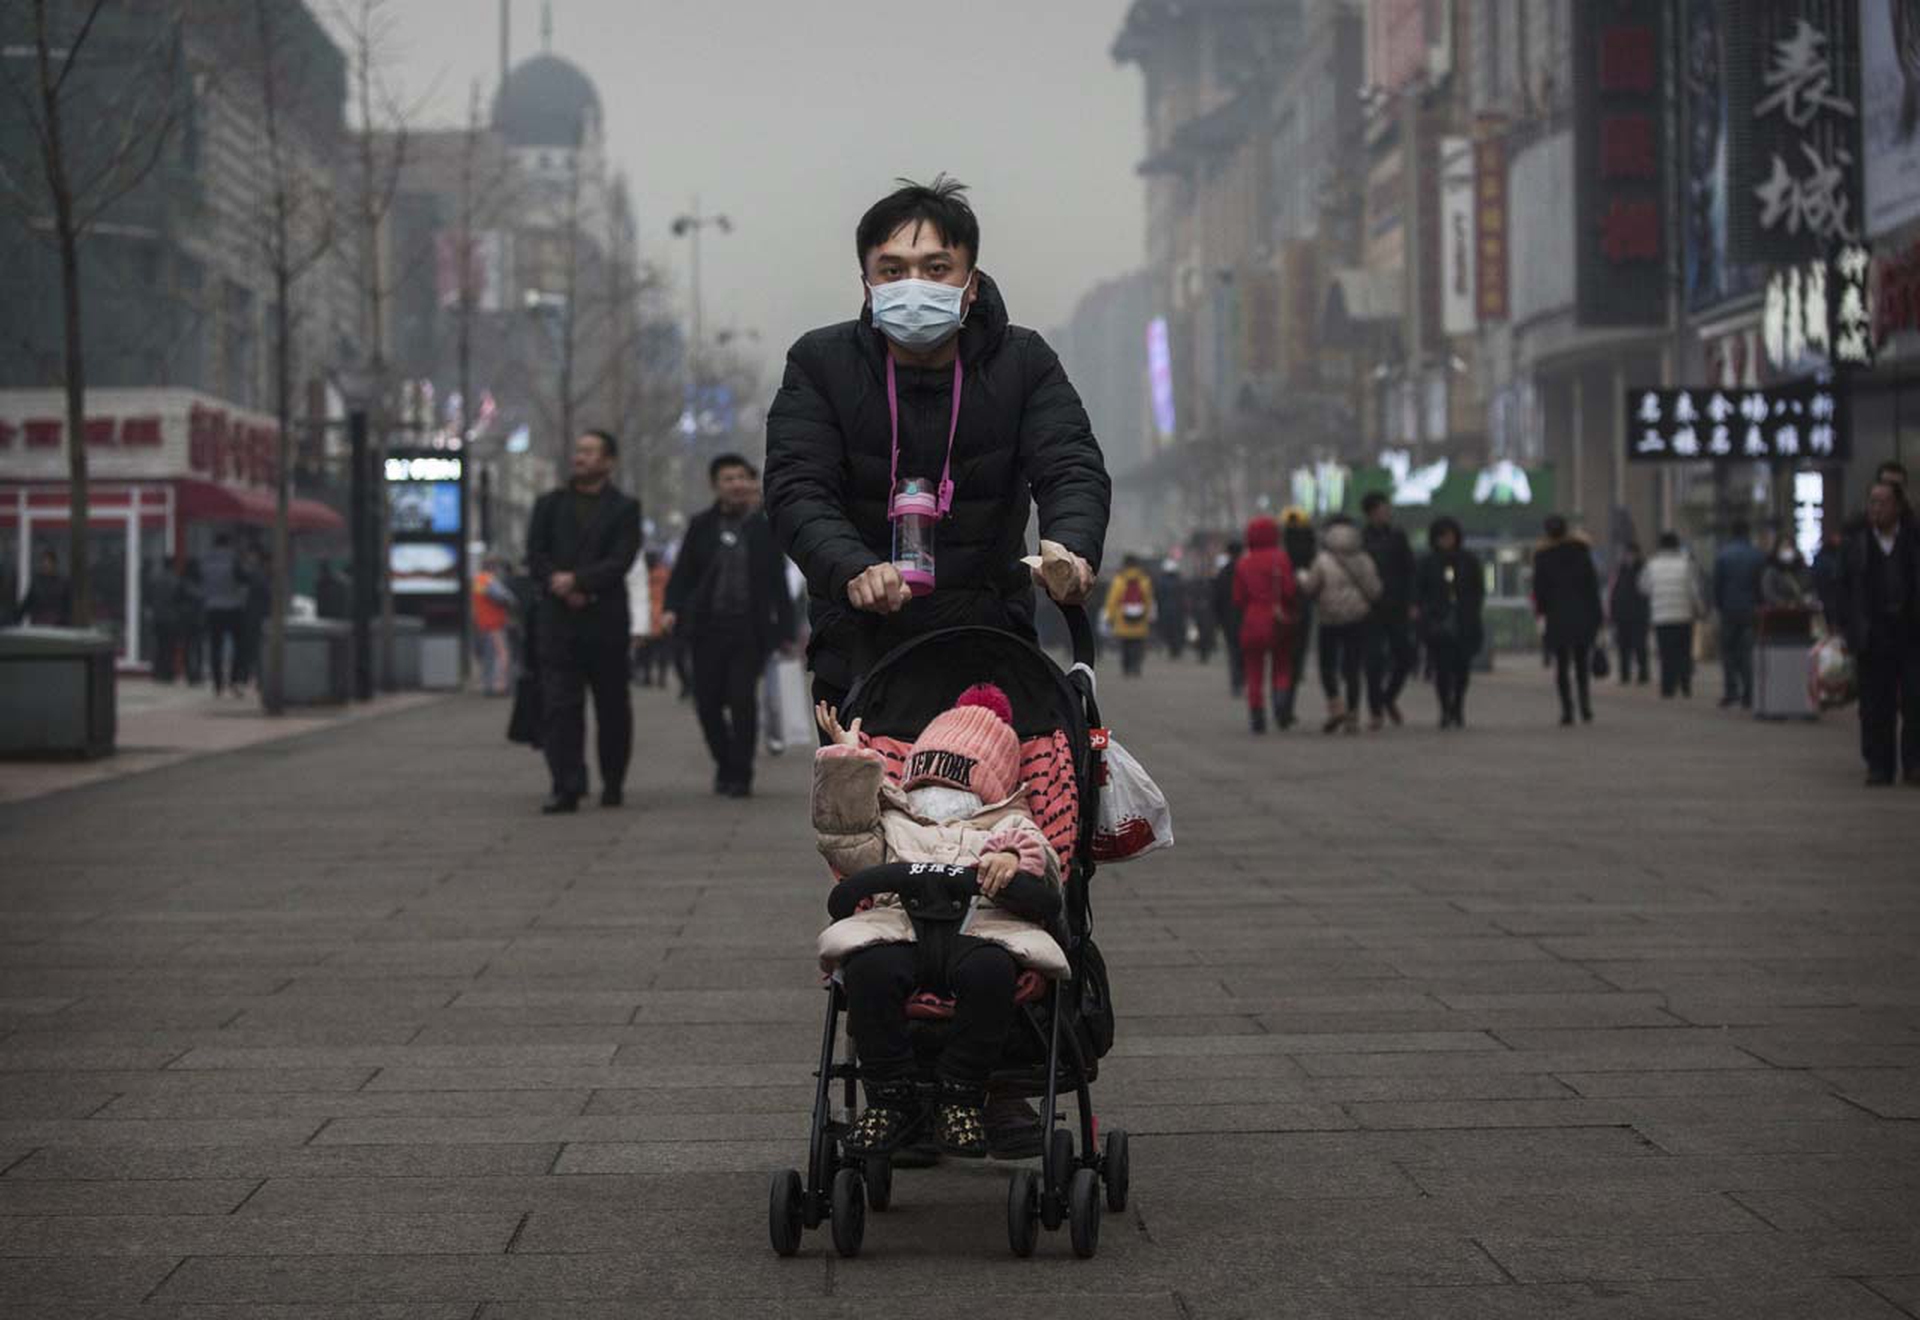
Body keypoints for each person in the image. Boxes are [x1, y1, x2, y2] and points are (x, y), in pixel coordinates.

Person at [763, 175, 1108, 712]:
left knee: (1001, 796)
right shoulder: (820, 364)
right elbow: (796, 488)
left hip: (992, 648)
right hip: (860, 652)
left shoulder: (1024, 362)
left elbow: (1071, 466)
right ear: (867, 284)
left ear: (970, 284)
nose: (914, 285)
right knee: (867, 797)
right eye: (893, 270)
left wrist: (1071, 548)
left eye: (936, 268)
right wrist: (853, 567)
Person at [812, 685, 1065, 1158]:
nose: (934, 790)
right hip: (900, 929)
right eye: (926, 777)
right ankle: (891, 1095)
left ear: (987, 786)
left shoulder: (1007, 824)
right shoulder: (893, 820)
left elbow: (1044, 859)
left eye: (951, 781)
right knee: (867, 972)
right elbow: (844, 842)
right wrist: (848, 766)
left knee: (991, 975)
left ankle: (961, 1092)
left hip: (980, 930)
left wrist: (1011, 860)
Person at [662, 453, 796, 798]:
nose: (736, 484)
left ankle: (741, 773)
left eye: (742, 477)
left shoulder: (765, 528)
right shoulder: (700, 526)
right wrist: (670, 608)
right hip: (705, 629)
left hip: (749, 630)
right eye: (728, 478)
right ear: (715, 485)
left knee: (742, 700)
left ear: (751, 483)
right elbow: (683, 575)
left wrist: (786, 630)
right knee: (706, 703)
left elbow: (778, 583)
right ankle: (724, 762)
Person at [525, 429, 642, 813]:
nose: (581, 457)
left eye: (590, 452)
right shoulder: (549, 504)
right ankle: (567, 784)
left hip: (605, 621)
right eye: (579, 450)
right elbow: (535, 553)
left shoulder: (624, 508)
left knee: (612, 708)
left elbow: (621, 558)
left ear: (609, 461)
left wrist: (580, 582)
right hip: (557, 623)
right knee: (560, 706)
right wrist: (557, 583)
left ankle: (613, 782)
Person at [1840, 480, 1920, 787]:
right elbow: (1844, 588)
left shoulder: (1912, 541)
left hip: (1911, 633)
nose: (1876, 508)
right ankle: (1879, 764)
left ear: (1898, 506)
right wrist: (1844, 626)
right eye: (1872, 501)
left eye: (1882, 502)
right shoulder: (1857, 543)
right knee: (1875, 704)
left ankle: (1913, 763)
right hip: (1872, 634)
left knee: (1915, 701)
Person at [1297, 514, 1381, 735]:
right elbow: (1375, 591)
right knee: (1352, 668)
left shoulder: (1322, 560)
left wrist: (1303, 580)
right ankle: (1353, 715)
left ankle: (1336, 706)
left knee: (1327, 666)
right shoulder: (1364, 559)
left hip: (1329, 619)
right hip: (1357, 618)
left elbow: (1310, 589)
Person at [1532, 515, 1603, 725]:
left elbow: (1539, 590)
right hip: (1583, 615)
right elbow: (1592, 587)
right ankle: (1585, 706)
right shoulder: (1581, 553)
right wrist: (1597, 616)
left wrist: (1542, 612)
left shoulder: (1543, 557)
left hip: (1557, 617)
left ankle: (1567, 710)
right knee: (1582, 663)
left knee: (1562, 665)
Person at [1230, 515, 1299, 733]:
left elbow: (1238, 598)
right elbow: (1289, 590)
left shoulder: (1244, 562)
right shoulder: (1282, 558)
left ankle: (1257, 715)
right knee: (1281, 665)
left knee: (1254, 671)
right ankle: (1279, 702)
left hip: (1252, 620)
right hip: (1278, 620)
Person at [1415, 517, 1484, 729]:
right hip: (1438, 622)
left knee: (1462, 669)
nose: (1447, 541)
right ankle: (1445, 708)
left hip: (1464, 621)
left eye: (1450, 536)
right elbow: (1419, 591)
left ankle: (1458, 706)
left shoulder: (1468, 561)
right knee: (1442, 669)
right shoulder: (1428, 562)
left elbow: (1477, 590)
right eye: (1443, 537)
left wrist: (1471, 610)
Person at [1359, 492, 1416, 730]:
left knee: (1405, 656)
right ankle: (1376, 710)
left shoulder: (1397, 537)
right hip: (1370, 607)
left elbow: (1410, 570)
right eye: (1383, 508)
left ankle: (1388, 696)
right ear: (1372, 512)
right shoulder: (1360, 540)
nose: (1387, 512)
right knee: (1374, 660)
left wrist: (1413, 602)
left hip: (1397, 605)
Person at [1640, 531, 1704, 699]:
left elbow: (1643, 587)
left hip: (1661, 617)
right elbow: (1694, 591)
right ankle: (1685, 686)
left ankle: (1667, 688)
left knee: (1666, 654)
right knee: (1684, 653)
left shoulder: (1652, 564)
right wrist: (1700, 609)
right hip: (1683, 616)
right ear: (1677, 545)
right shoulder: (1686, 564)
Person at [1712, 518, 1766, 709]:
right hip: (1751, 610)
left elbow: (1717, 585)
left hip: (1729, 609)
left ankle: (1730, 691)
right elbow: (1762, 586)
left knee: (1728, 652)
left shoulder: (1723, 555)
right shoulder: (1758, 555)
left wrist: (1718, 605)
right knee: (1747, 651)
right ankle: (1749, 693)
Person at [200, 532, 248, 696]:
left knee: (215, 646)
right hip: (233, 607)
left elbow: (201, 583)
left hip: (212, 608)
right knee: (239, 646)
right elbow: (244, 578)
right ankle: (234, 680)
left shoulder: (206, 562)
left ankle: (217, 683)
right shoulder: (233, 560)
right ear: (228, 544)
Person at [1281, 509, 1317, 716]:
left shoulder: (1280, 553)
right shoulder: (1310, 552)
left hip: (1281, 612)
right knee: (1295, 658)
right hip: (1302, 608)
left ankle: (1282, 702)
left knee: (1282, 659)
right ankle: (1287, 704)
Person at [1103, 555, 1155, 677]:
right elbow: (1148, 601)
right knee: (1138, 645)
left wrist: (1110, 616)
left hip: (1122, 619)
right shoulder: (1145, 581)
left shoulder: (1118, 580)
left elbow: (1112, 601)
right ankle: (1136, 666)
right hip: (1140, 619)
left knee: (1125, 645)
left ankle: (1126, 667)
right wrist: (1148, 616)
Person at [1608, 542, 1651, 685]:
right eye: (1626, 554)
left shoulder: (1643, 569)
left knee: (1640, 645)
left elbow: (1647, 591)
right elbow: (1614, 592)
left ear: (1637, 554)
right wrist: (1612, 612)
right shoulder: (1620, 570)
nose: (1628, 557)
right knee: (1623, 646)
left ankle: (1643, 673)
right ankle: (1624, 674)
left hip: (1639, 614)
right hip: (1622, 615)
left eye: (1630, 554)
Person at [471, 557, 514, 697]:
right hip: (495, 624)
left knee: (487, 657)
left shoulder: (478, 580)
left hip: (482, 624)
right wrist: (511, 599)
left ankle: (488, 685)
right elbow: (503, 597)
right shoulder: (489, 580)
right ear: (494, 568)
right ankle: (499, 686)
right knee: (500, 655)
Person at [1211, 541, 1245, 695]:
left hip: (1228, 619)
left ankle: (1236, 683)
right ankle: (1242, 679)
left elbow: (1216, 598)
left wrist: (1217, 619)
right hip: (1245, 617)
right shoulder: (1246, 569)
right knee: (1244, 651)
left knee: (1233, 651)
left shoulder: (1223, 572)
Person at [16, 548, 72, 626]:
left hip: (58, 627)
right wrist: (15, 620)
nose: (45, 565)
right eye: (43, 562)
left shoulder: (63, 583)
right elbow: (26, 604)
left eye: (48, 562)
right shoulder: (36, 583)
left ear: (54, 564)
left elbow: (68, 607)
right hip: (38, 625)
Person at [1761, 541, 1814, 609]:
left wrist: (1807, 599)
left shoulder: (1802, 569)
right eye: (1784, 547)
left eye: (1790, 547)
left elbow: (1810, 588)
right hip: (1778, 613)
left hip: (1802, 612)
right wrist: (1785, 603)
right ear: (1777, 549)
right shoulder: (1771, 571)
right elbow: (1768, 593)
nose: (1787, 550)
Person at [1155, 561, 1189, 660]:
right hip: (1179, 610)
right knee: (1178, 631)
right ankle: (1177, 649)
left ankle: (1172, 650)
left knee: (1168, 631)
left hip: (1165, 610)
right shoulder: (1180, 581)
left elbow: (1158, 596)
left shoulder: (1161, 582)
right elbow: (1184, 596)